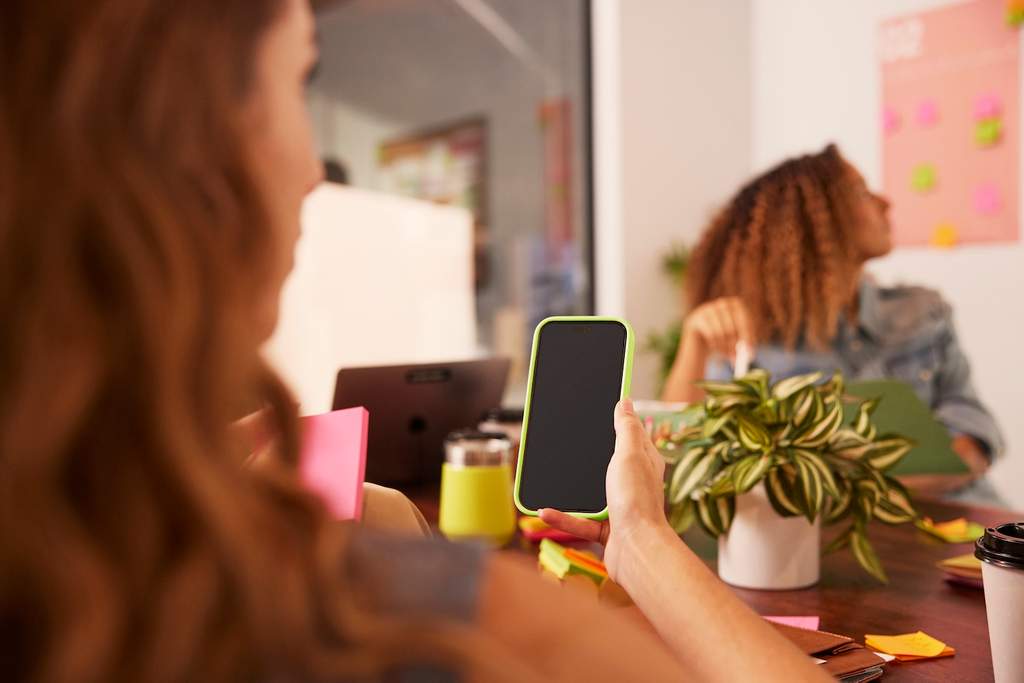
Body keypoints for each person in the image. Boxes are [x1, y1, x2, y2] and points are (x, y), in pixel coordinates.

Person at [0, 1, 830, 681]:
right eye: (301, 79)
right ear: (189, 141)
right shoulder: (393, 607)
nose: (314, 175)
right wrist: (643, 539)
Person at [661, 144, 1004, 500]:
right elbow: (682, 454)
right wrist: (695, 342)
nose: (886, 202)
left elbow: (974, 435)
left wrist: (853, 493)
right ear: (812, 220)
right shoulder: (748, 337)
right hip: (819, 539)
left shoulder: (924, 311)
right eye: (860, 191)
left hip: (965, 521)